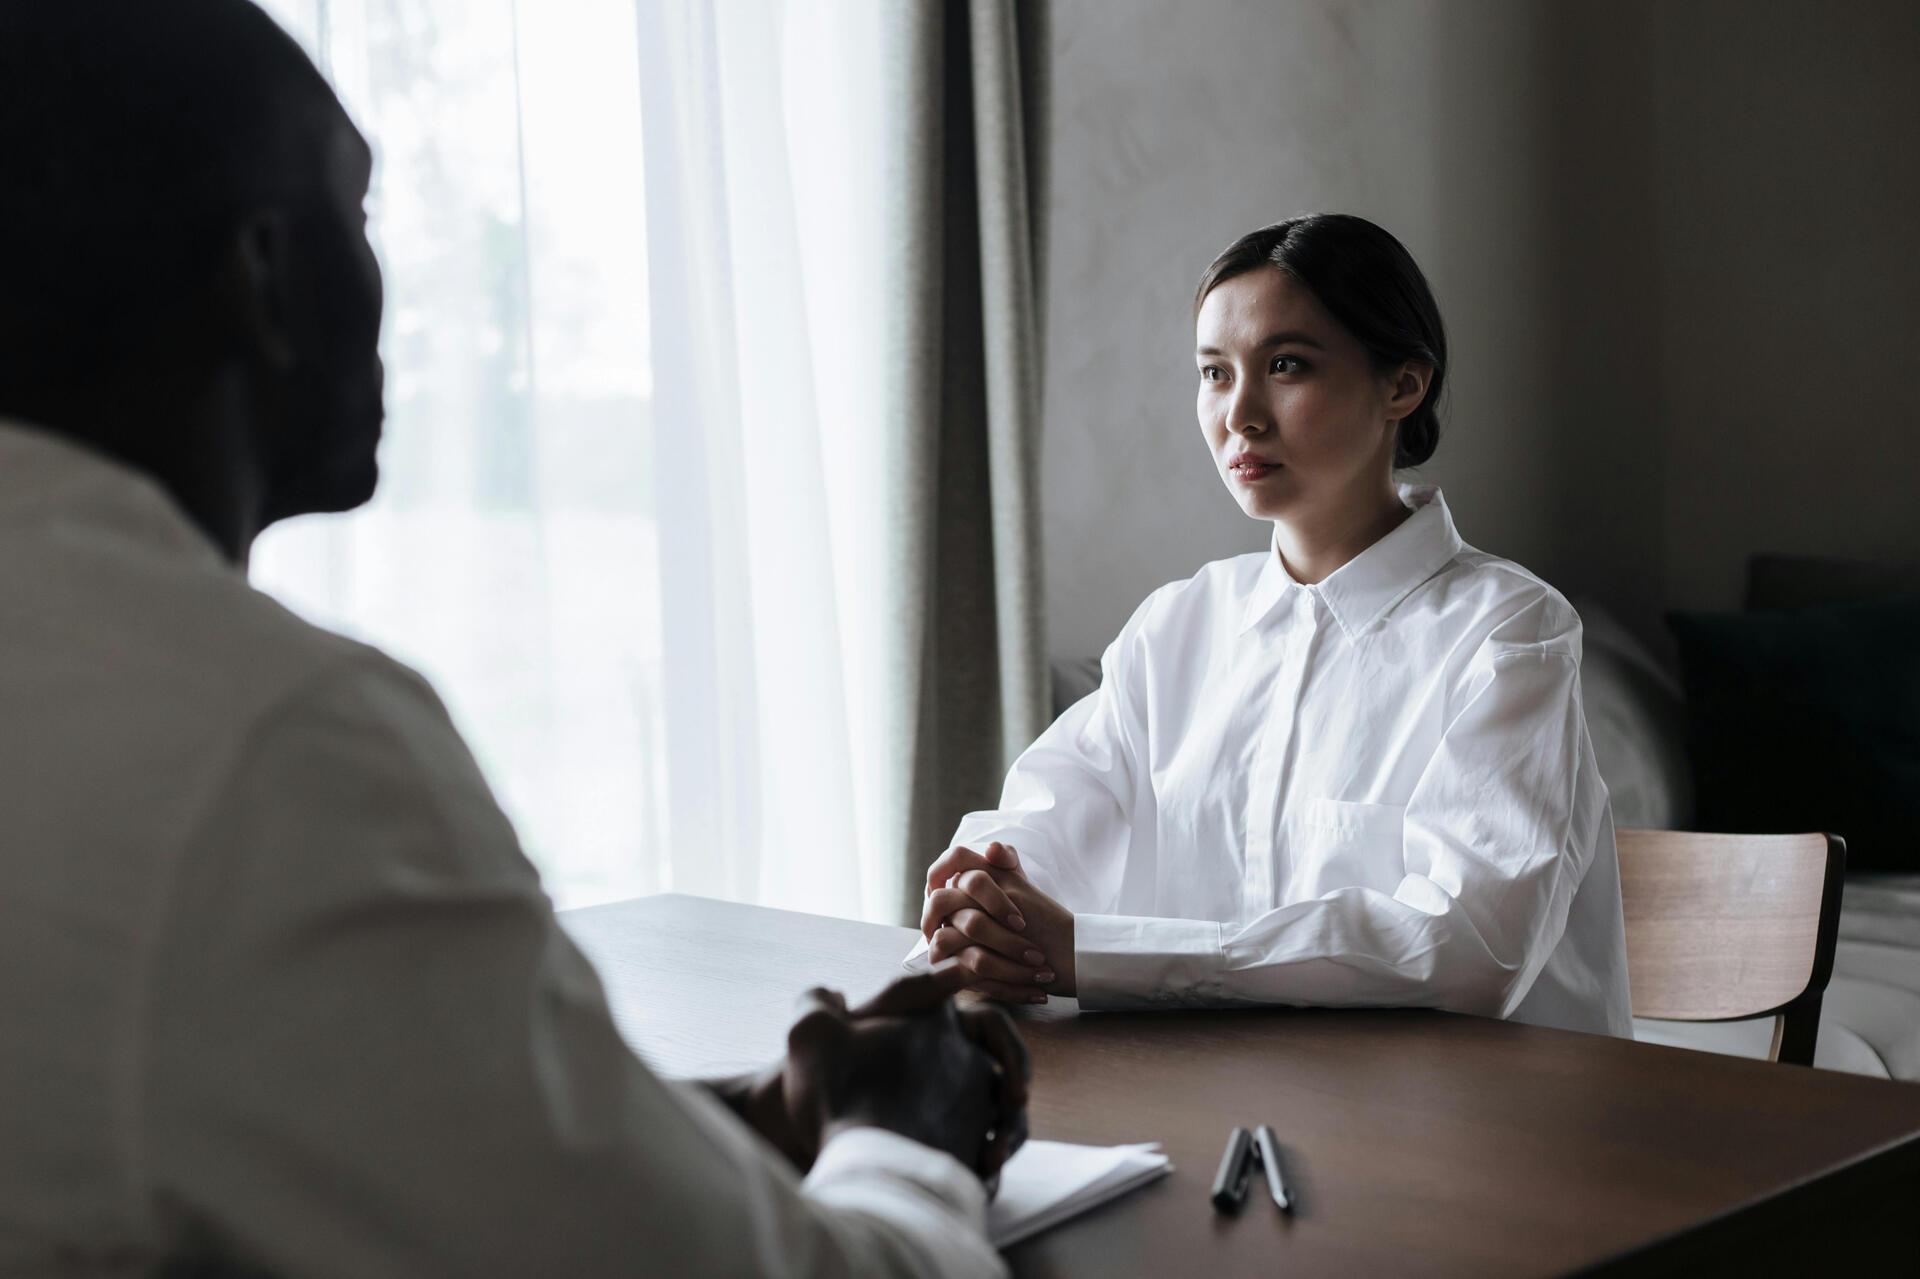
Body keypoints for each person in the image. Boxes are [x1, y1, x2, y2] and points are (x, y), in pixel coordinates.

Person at [0, 2, 1026, 1275]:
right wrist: (902, 1132)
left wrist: (727, 1133)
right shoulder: (261, 744)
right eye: (361, 214)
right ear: (263, 274)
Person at [918, 215, 1633, 1037]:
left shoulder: (1512, 631)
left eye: (1286, 365)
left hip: (1470, 1134)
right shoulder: (1179, 624)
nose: (1241, 416)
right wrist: (988, 901)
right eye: (1215, 373)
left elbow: (1466, 949)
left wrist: (1093, 952)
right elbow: (1049, 815)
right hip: (1214, 1108)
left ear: (1403, 385)